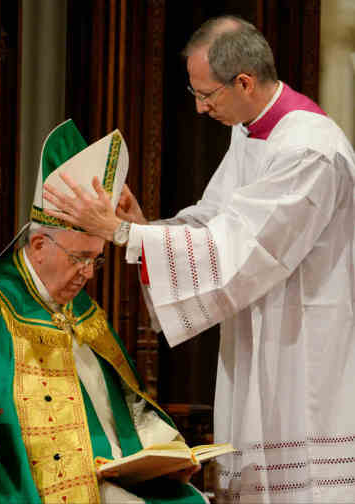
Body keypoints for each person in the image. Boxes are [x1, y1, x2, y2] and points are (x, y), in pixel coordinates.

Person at [42, 15, 355, 504]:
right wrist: (145, 228)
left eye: (206, 95)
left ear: (245, 82)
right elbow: (218, 221)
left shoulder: (309, 150)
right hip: (259, 330)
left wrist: (123, 234)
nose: (201, 108)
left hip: (301, 341)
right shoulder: (251, 131)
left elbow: (248, 251)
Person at [0, 123, 206, 504]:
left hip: (112, 475)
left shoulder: (80, 308)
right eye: (79, 258)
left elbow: (122, 402)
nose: (86, 274)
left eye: (95, 261)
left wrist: (168, 450)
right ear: (38, 245)